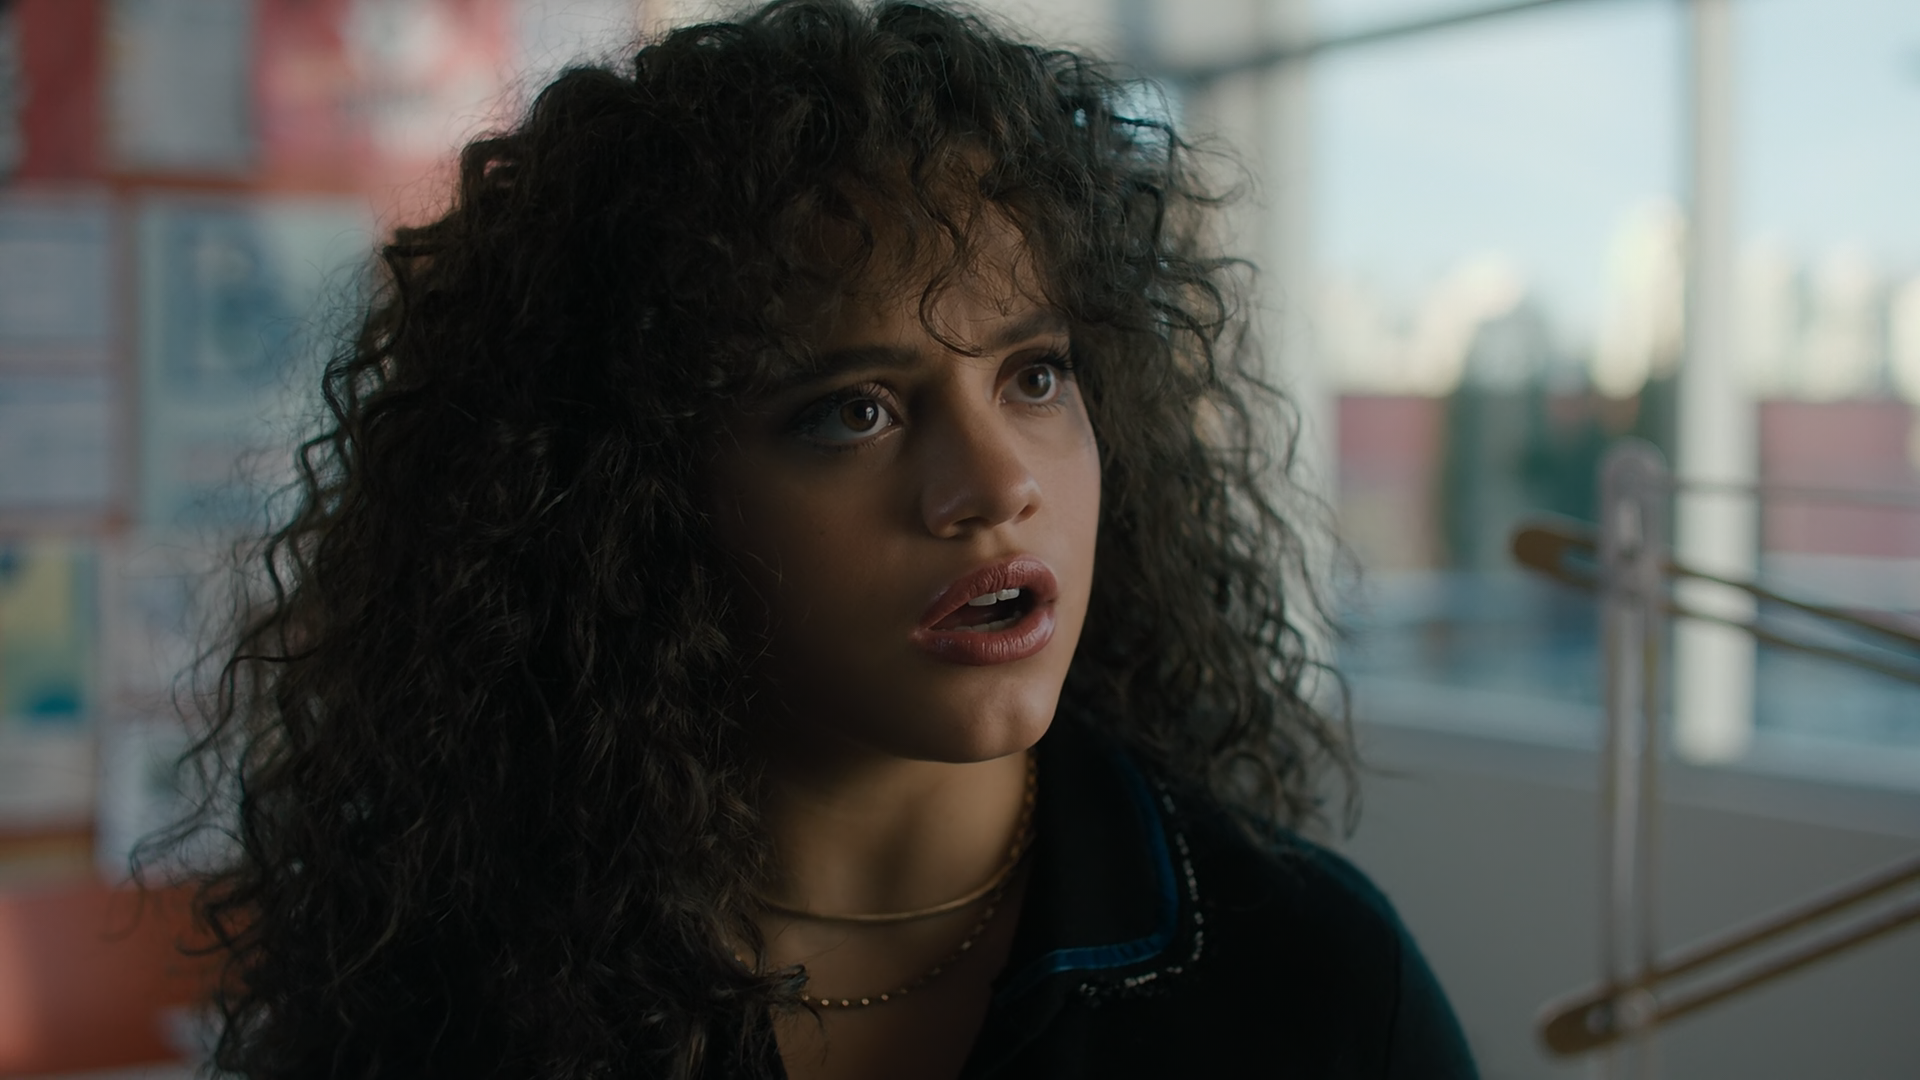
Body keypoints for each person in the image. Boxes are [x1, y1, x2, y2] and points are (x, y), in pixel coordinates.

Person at [161, 1, 1480, 1077]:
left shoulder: (1311, 982)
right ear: (627, 498)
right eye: (854, 411)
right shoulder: (449, 992)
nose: (993, 487)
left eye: (1034, 376)